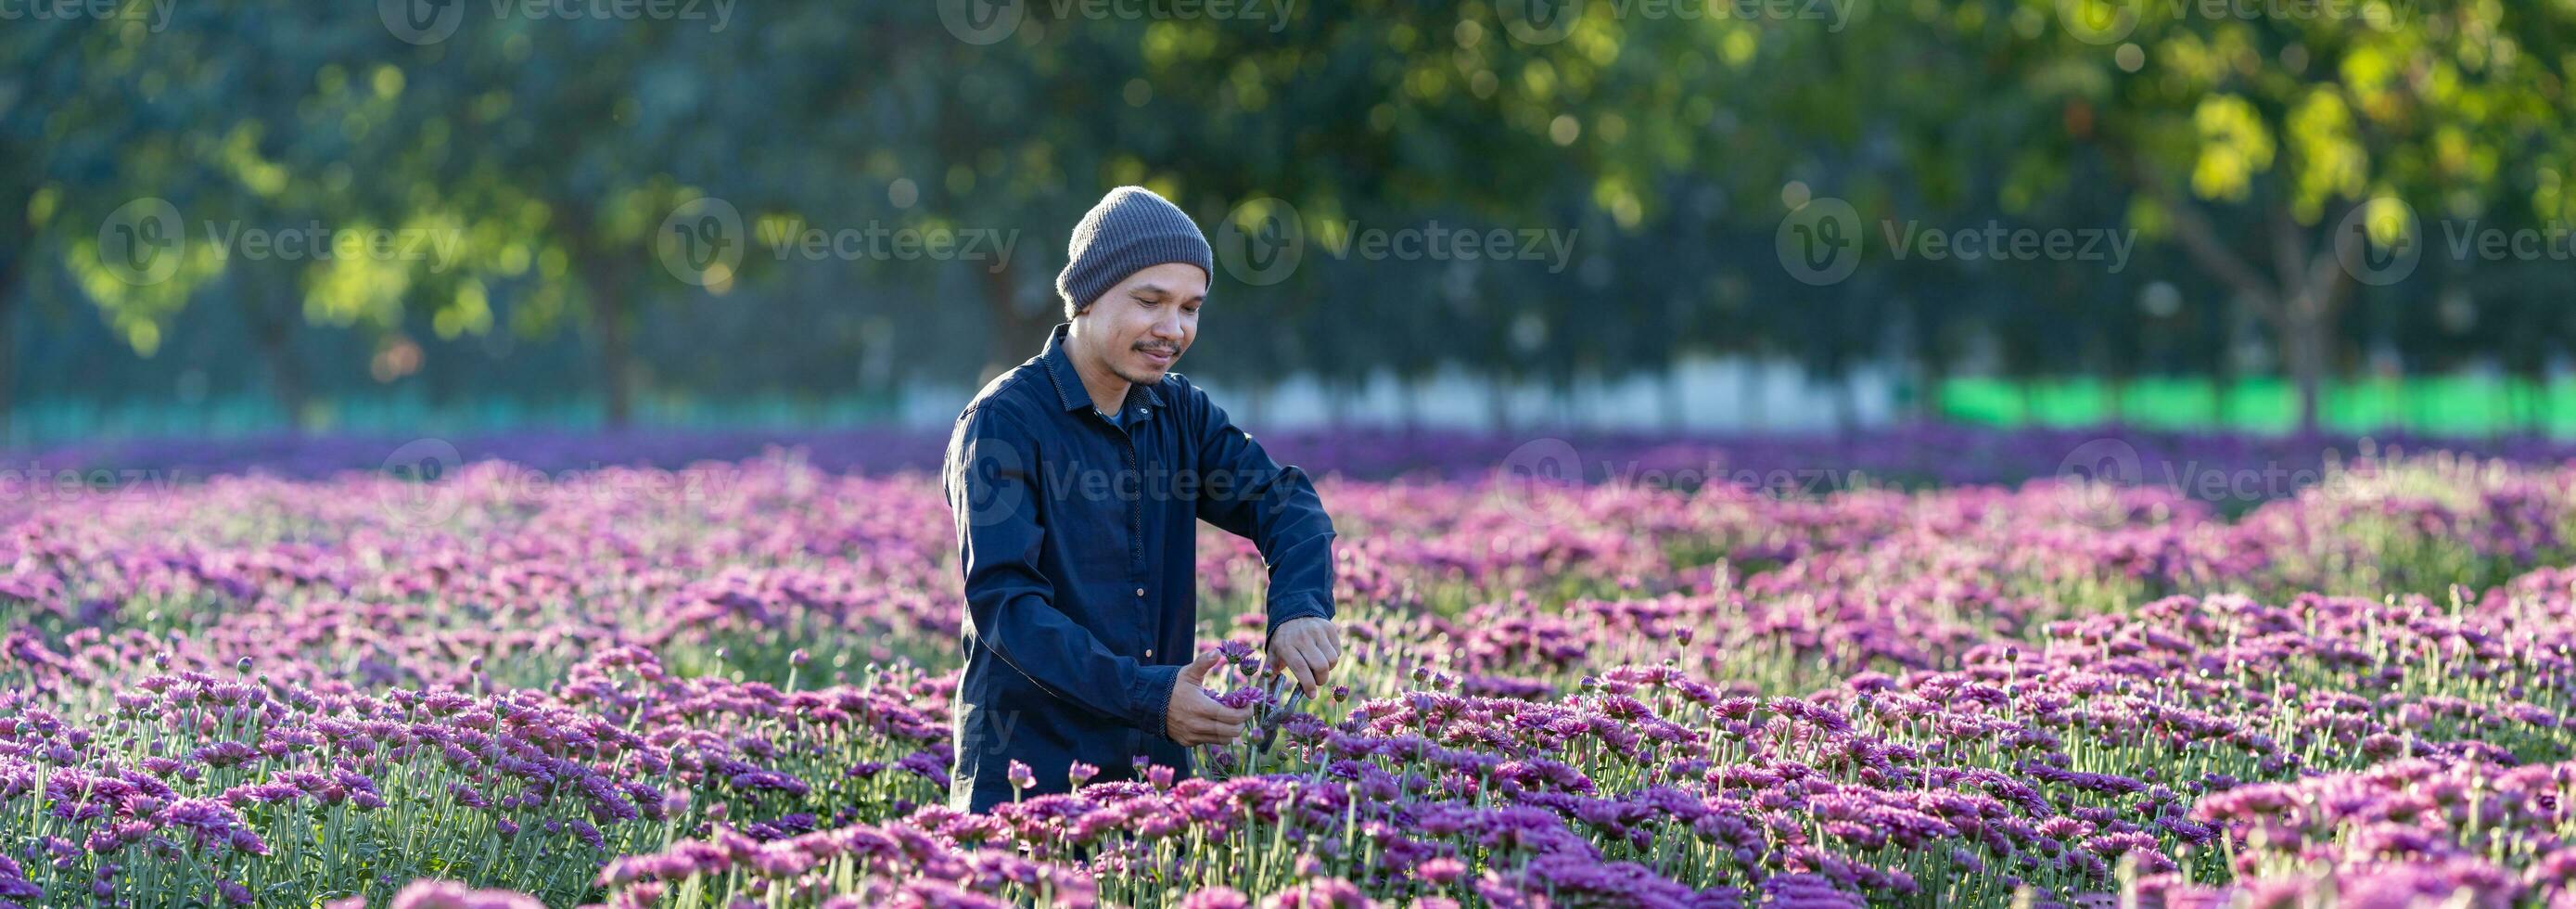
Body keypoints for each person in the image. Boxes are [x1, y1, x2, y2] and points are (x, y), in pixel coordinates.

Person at [941, 186, 1342, 813]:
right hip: (1028, 784)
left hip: (1154, 782)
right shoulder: (1004, 423)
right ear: (1087, 296)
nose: (1173, 329)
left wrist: (1299, 606)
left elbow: (1283, 499)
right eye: (1150, 302)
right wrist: (1150, 695)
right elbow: (1009, 612)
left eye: (1190, 306)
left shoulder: (1178, 409)